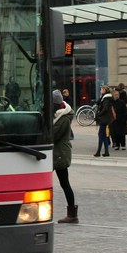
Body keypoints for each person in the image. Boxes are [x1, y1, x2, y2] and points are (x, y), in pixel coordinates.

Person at [52, 89, 78, 223]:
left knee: (64, 183)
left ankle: (72, 214)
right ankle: (72, 213)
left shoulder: (62, 118)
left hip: (60, 154)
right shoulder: (59, 115)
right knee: (63, 183)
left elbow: (53, 136)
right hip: (57, 153)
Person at [93, 85, 114, 157]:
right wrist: (101, 96)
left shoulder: (106, 99)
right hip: (105, 118)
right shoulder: (104, 97)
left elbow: (105, 109)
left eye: (101, 89)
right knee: (104, 135)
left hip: (104, 119)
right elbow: (98, 102)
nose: (100, 90)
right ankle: (106, 152)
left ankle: (99, 151)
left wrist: (99, 114)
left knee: (101, 135)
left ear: (104, 90)